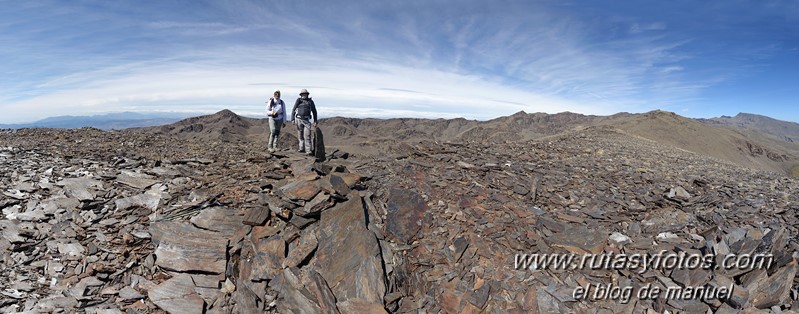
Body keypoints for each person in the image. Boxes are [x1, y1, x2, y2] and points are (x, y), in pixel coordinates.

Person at [291, 88, 317, 155]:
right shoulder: (298, 100)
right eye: (303, 94)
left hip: (306, 120)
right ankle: (301, 148)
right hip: (299, 119)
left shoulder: (310, 102)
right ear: (301, 94)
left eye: (305, 94)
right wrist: (292, 119)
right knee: (300, 135)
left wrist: (315, 121)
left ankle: (308, 151)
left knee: (307, 135)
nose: (304, 95)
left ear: (307, 94)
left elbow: (314, 111)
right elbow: (293, 109)